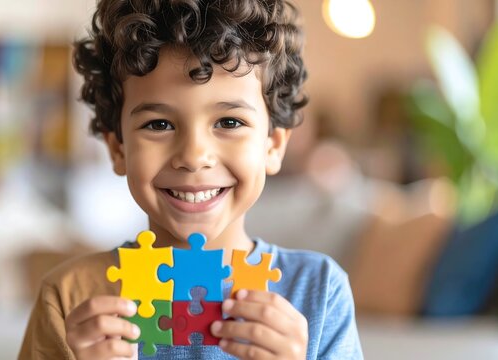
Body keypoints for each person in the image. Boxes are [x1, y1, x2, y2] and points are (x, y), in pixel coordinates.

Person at [19, 0, 363, 359]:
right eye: (159, 124)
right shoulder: (70, 296)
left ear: (273, 146)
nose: (194, 156)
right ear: (118, 149)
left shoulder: (319, 291)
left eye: (229, 123)